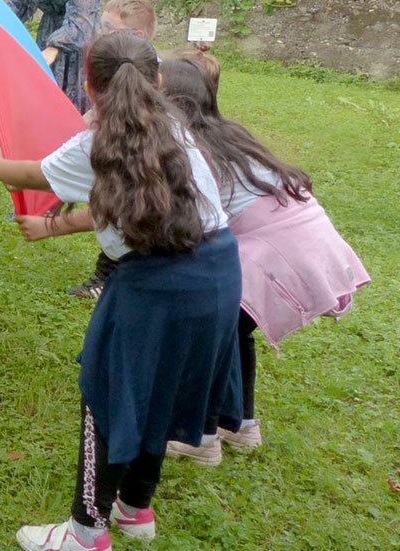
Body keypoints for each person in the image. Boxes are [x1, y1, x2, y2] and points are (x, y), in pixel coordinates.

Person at [0, 31, 243, 551]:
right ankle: (134, 508)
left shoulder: (97, 146)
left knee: (106, 393)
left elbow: (23, 172)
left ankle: (85, 536)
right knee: (161, 393)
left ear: (90, 90)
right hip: (219, 273)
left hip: (156, 285)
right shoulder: (175, 129)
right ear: (159, 81)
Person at [158, 55, 369, 465]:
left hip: (272, 250)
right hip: (305, 238)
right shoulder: (227, 132)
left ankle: (198, 438)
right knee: (234, 333)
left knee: (204, 336)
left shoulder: (190, 149)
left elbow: (192, 223)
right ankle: (240, 425)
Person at [66, 0, 158, 300]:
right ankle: (105, 277)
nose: (101, 33)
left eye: (109, 28)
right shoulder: (123, 65)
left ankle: (106, 279)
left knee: (125, 210)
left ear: (138, 36)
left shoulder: (142, 75)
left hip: (145, 167)